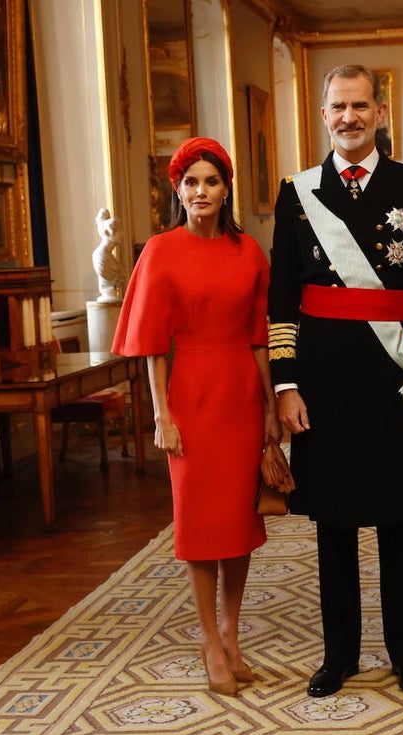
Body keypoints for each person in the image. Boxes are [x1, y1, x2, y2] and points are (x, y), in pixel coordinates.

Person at [269, 64, 403, 698]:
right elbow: (281, 301)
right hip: (323, 380)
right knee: (334, 522)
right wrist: (286, 386)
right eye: (336, 107)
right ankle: (340, 654)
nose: (347, 117)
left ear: (380, 112)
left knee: (400, 520)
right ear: (323, 116)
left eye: (359, 105)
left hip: (396, 374)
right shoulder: (297, 193)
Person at [112, 137, 286, 697]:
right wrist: (162, 414)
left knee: (238, 522)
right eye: (192, 182)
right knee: (199, 525)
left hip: (240, 394)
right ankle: (208, 638)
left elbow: (261, 340)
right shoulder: (160, 251)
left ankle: (233, 633)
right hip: (188, 396)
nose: (201, 191)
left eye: (212, 181)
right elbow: (152, 346)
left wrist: (271, 413)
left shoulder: (249, 252)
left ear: (226, 189)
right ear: (178, 190)